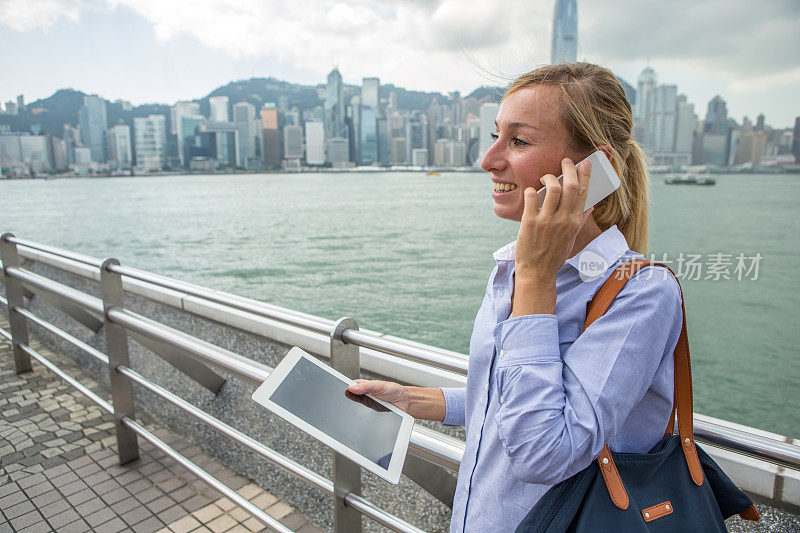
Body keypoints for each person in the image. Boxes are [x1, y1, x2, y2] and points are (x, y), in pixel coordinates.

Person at [347, 62, 683, 532]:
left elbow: (546, 452)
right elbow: (519, 396)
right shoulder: (510, 269)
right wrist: (417, 399)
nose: (489, 159)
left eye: (519, 141)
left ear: (595, 167)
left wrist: (535, 280)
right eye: (495, 135)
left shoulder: (641, 293)